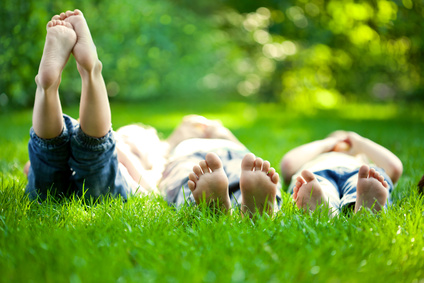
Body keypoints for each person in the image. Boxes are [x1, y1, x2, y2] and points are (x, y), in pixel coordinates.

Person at [25, 9, 159, 200]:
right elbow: (28, 167)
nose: (123, 141)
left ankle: (52, 85)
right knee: (63, 153)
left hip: (67, 181)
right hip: (89, 185)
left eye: (133, 146)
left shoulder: (145, 166)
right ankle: (88, 72)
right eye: (123, 137)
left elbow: (151, 192)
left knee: (52, 155)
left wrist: (120, 148)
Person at [158, 115, 281, 217]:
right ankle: (256, 212)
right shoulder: (180, 140)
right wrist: (176, 138)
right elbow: (158, 156)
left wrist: (225, 135)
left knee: (250, 174)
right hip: (189, 154)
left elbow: (247, 154)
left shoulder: (227, 139)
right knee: (191, 176)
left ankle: (211, 209)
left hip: (232, 152)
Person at [280, 131, 403, 215]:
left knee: (363, 184)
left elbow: (394, 168)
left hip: (358, 173)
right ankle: (324, 209)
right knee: (318, 188)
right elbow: (288, 164)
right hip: (317, 173)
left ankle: (365, 207)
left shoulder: (362, 161)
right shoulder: (317, 157)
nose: (343, 141)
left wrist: (359, 142)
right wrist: (327, 143)